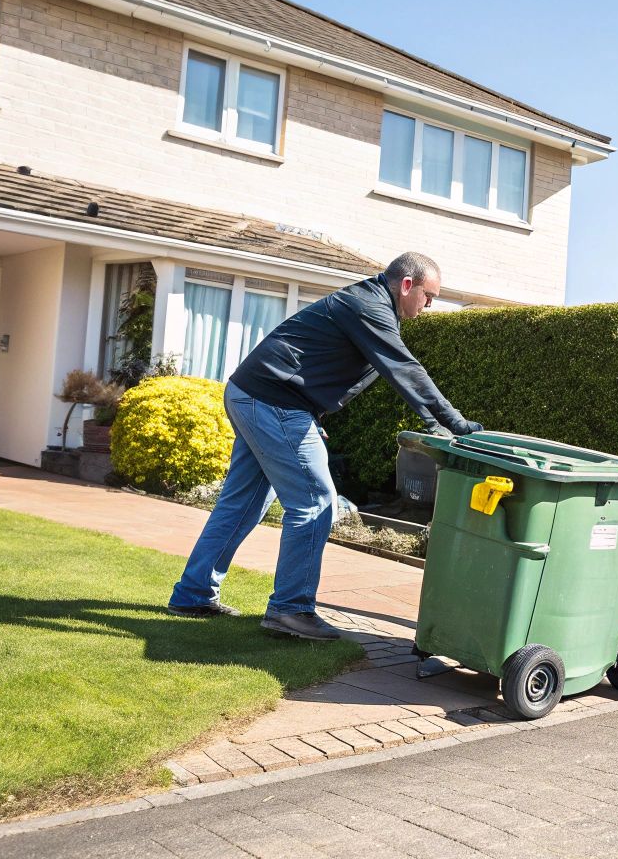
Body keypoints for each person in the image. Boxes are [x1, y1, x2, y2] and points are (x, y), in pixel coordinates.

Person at [166, 252, 480, 640]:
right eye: (429, 295)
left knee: (245, 502)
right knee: (316, 502)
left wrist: (311, 415)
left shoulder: (367, 303)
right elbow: (405, 370)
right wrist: (455, 423)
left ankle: (193, 594)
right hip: (272, 402)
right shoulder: (369, 306)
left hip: (257, 395)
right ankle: (290, 610)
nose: (429, 305)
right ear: (407, 285)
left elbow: (313, 361)